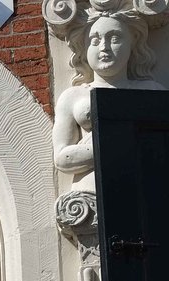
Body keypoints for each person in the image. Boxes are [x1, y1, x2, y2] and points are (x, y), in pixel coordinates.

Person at [52, 10, 163, 192]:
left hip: (146, 193)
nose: (104, 47)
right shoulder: (72, 96)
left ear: (132, 44)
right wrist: (120, 143)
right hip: (88, 199)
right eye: (95, 41)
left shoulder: (152, 91)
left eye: (115, 38)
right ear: (85, 47)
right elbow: (63, 157)